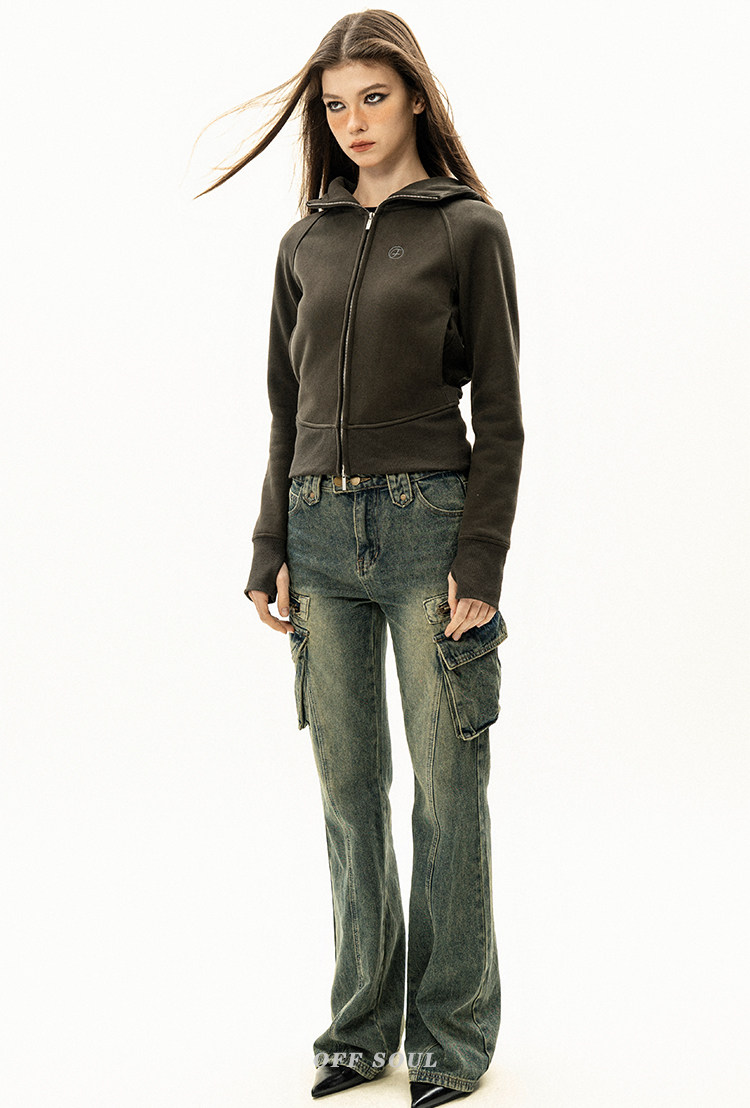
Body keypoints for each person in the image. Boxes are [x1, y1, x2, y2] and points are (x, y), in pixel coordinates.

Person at [195, 10, 524, 1106]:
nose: (353, 121)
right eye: (335, 105)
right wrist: (269, 543)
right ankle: (358, 1028)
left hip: (431, 528)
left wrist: (481, 561)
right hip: (319, 535)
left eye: (373, 97)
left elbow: (503, 415)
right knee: (348, 793)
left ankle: (450, 1039)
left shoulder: (469, 229)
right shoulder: (306, 243)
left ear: (416, 97)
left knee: (448, 793)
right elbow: (284, 409)